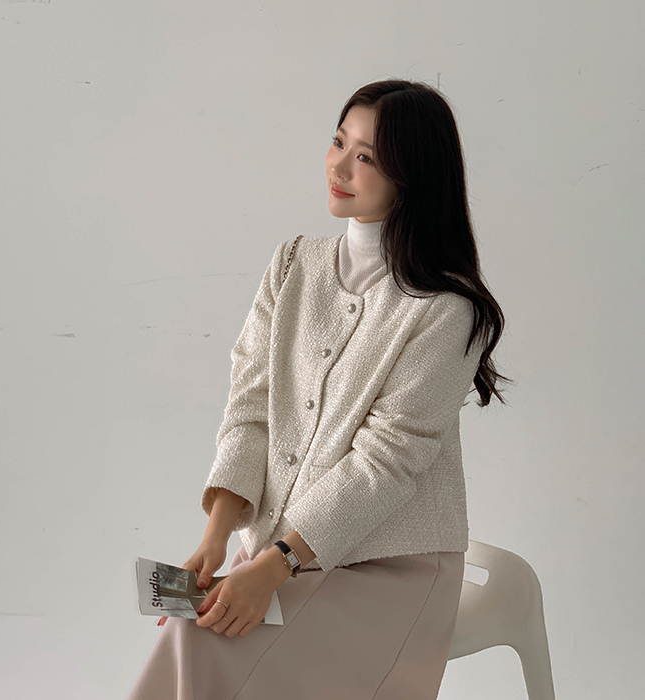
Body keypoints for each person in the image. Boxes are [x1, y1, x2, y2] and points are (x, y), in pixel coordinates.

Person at [126, 78, 509, 700]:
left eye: (367, 157)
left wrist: (272, 567)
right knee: (195, 629)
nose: (340, 166)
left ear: (411, 175)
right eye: (338, 142)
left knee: (202, 643)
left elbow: (385, 465)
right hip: (278, 554)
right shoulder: (292, 264)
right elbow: (251, 408)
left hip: (389, 572)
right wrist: (216, 539)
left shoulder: (445, 309)